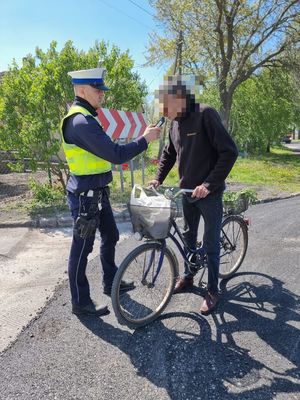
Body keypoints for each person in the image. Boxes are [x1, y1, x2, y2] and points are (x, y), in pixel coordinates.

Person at [61, 67, 161, 316]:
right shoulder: (80, 121)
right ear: (82, 89)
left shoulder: (89, 117)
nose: (102, 95)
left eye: (102, 90)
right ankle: (80, 302)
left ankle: (110, 282)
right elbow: (116, 154)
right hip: (85, 197)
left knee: (112, 235)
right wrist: (145, 139)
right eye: (98, 90)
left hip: (97, 192)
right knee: (82, 249)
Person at [149, 76, 238, 315]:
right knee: (188, 237)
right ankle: (188, 277)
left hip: (209, 194)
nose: (164, 111)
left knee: (210, 244)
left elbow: (229, 152)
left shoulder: (205, 114)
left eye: (166, 104)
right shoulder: (174, 124)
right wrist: (158, 177)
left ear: (180, 98)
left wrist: (209, 184)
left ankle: (212, 290)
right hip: (186, 192)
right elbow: (169, 154)